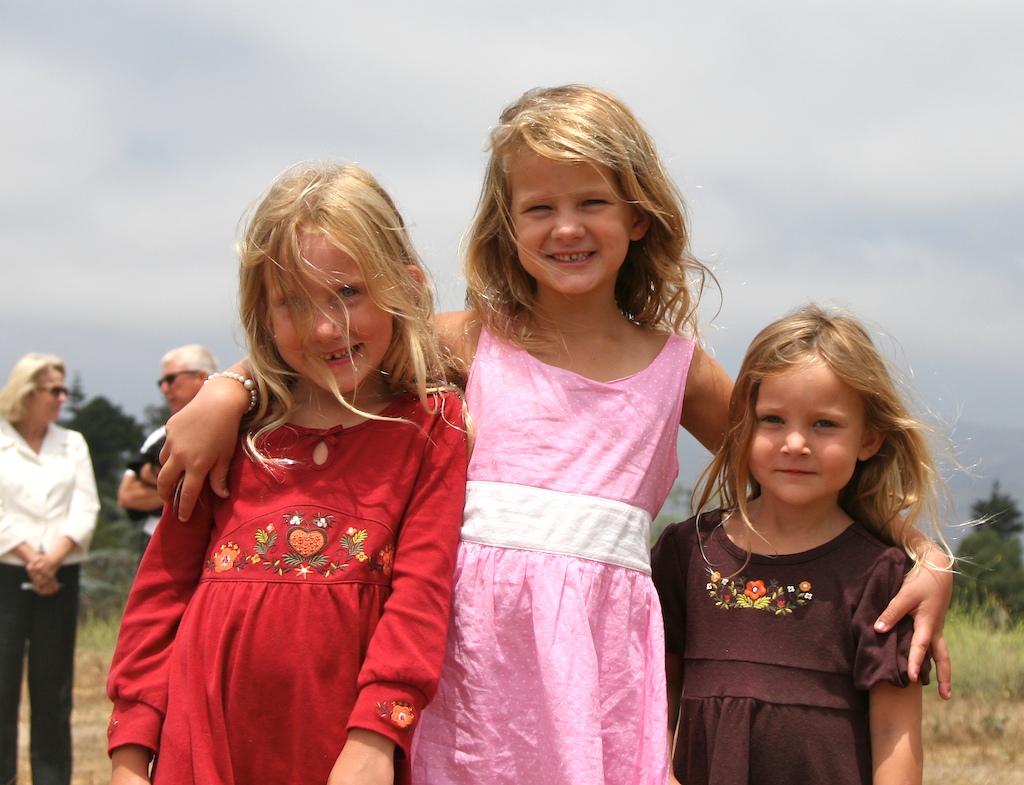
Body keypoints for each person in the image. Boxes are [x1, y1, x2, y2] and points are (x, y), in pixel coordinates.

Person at [153, 86, 953, 783]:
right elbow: (331, 356)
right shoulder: (467, 343)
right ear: (508, 224)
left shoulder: (679, 370)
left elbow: (797, 460)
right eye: (539, 207)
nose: (566, 227)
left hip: (597, 680)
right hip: (464, 671)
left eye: (592, 202)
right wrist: (229, 387)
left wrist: (926, 554)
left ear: (638, 214)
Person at [105, 163, 468, 785]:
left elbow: (421, 595)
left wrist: (376, 739)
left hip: (344, 752)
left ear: (405, 287)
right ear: (261, 312)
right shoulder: (235, 430)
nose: (325, 328)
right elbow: (162, 590)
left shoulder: (433, 426)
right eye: (293, 302)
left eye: (348, 292)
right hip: (201, 746)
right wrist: (131, 755)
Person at [651, 304, 954, 785]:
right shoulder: (687, 553)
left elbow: (895, 733)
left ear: (869, 439)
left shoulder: (884, 577)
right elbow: (652, 704)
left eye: (824, 424)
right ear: (742, 426)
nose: (795, 443)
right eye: (772, 419)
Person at [0, 353, 100, 785]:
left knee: (53, 687)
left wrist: (53, 558)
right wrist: (31, 557)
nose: (63, 397)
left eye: (63, 389)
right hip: (6, 572)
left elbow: (86, 506)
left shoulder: (72, 442)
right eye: (54, 390)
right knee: (2, 685)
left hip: (61, 573)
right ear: (28, 392)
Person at [117, 345, 219, 553]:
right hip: (158, 544)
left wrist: (161, 483)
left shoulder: (235, 431)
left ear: (201, 377)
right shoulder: (159, 435)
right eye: (161, 382)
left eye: (171, 379)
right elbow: (127, 496)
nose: (164, 388)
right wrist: (199, 490)